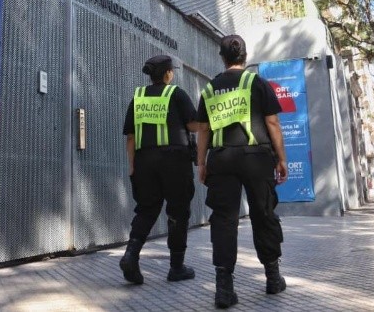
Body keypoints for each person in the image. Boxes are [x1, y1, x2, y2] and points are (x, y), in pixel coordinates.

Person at [195, 35, 289, 308]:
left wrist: (202, 163)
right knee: (264, 214)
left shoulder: (211, 89)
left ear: (222, 57)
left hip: (222, 159)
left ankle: (224, 290)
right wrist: (281, 158)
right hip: (257, 158)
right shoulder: (257, 83)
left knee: (224, 220)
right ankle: (273, 278)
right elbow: (272, 122)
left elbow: (203, 130)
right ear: (245, 56)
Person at [120, 55, 199, 285]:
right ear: (167, 74)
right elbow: (194, 125)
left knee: (146, 210)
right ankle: (176, 267)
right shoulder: (176, 94)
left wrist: (133, 165)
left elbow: (131, 137)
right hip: (175, 160)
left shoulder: (138, 97)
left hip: (145, 160)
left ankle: (131, 255)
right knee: (177, 211)